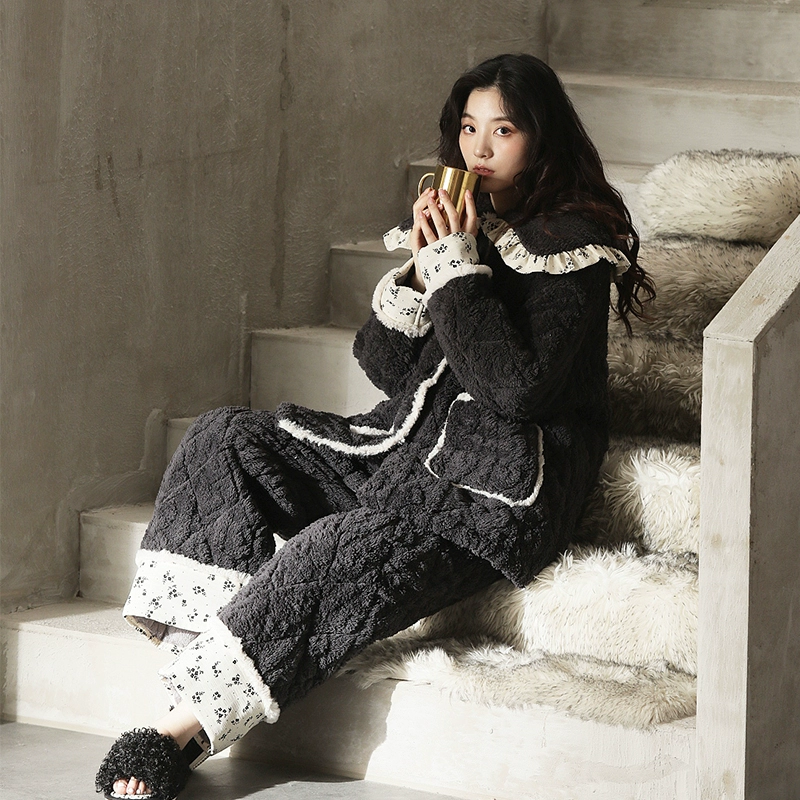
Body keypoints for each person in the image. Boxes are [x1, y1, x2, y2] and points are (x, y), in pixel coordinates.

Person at [96, 53, 654, 800]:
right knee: (225, 437)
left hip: (489, 492)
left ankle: (175, 735)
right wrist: (425, 271)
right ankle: (202, 680)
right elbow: (387, 367)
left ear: (542, 137)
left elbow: (515, 391)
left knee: (331, 550)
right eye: (468, 128)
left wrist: (458, 270)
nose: (479, 149)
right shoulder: (476, 225)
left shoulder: (572, 247)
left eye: (503, 130)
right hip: (400, 450)